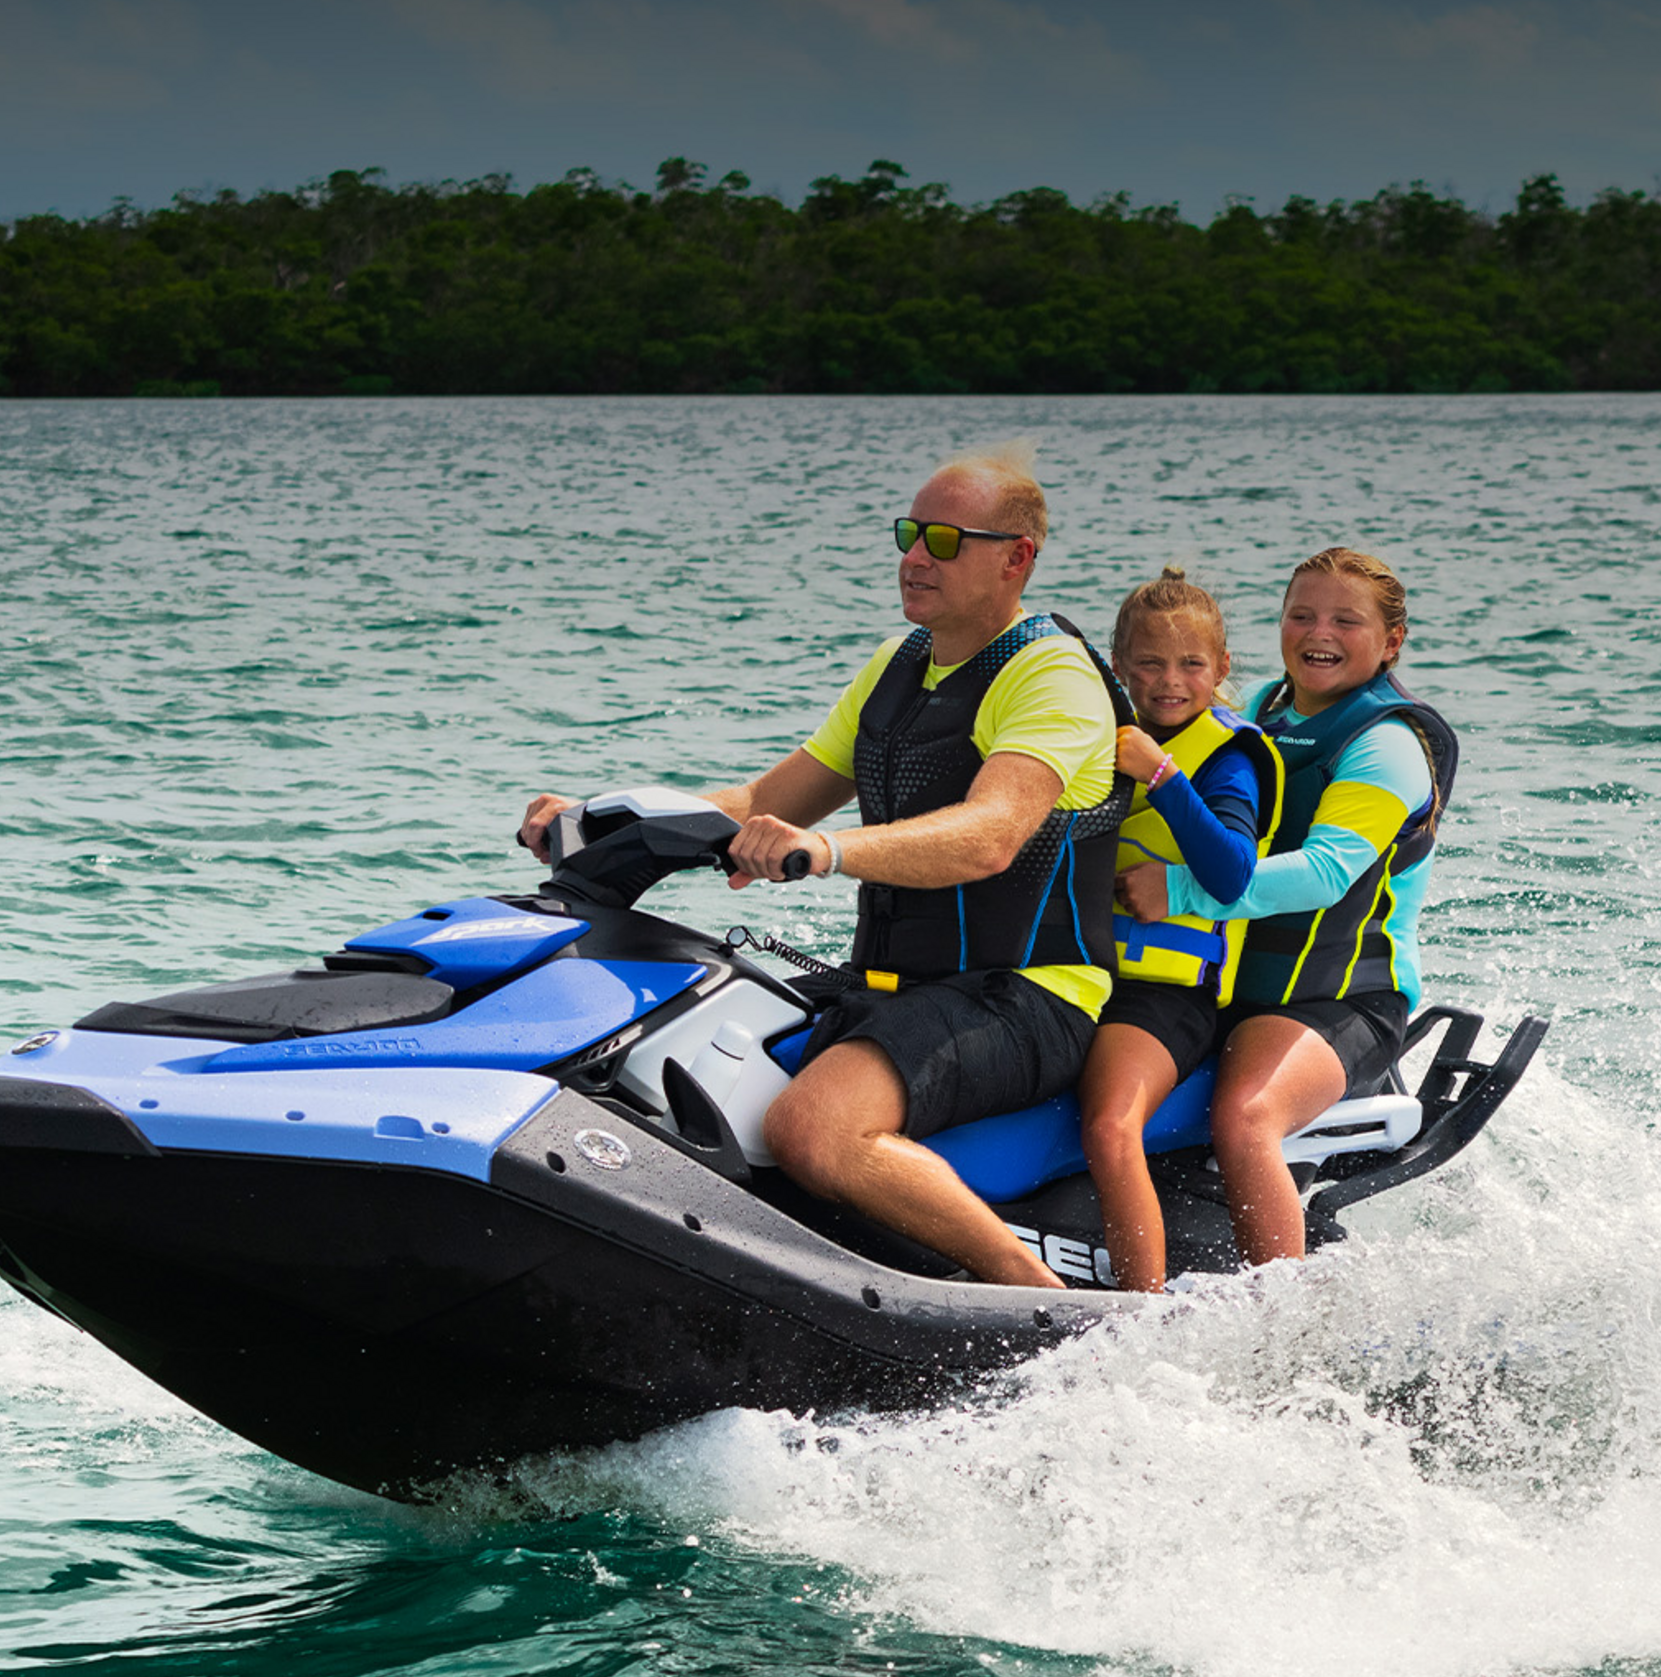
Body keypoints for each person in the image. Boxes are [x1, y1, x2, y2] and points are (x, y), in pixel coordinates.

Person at [518, 447, 1120, 1290]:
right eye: (910, 534)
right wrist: (594, 815)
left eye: (944, 540)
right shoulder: (899, 665)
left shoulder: (1052, 674)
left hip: (1026, 994)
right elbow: (767, 798)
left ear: (1016, 557)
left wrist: (825, 850)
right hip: (892, 983)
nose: (915, 557)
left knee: (813, 1128)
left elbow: (992, 833)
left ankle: (1041, 1312)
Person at [1119, 546, 1457, 1267]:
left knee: (1245, 1117)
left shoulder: (1387, 743)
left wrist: (1175, 890)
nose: (1317, 632)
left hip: (1340, 999)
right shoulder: (1260, 714)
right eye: (1300, 614)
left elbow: (1324, 873)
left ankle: (1282, 1324)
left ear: (1391, 640)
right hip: (1222, 981)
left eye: (1344, 619)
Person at [1079, 569, 1282, 1293]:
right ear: (1121, 667)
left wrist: (1160, 774)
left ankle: (1143, 1313)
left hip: (1165, 998)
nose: (1171, 681)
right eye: (1151, 664)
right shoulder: (1091, 741)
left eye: (1192, 664)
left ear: (1222, 669)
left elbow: (1231, 875)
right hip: (1075, 975)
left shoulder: (1226, 758)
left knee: (1108, 1125)